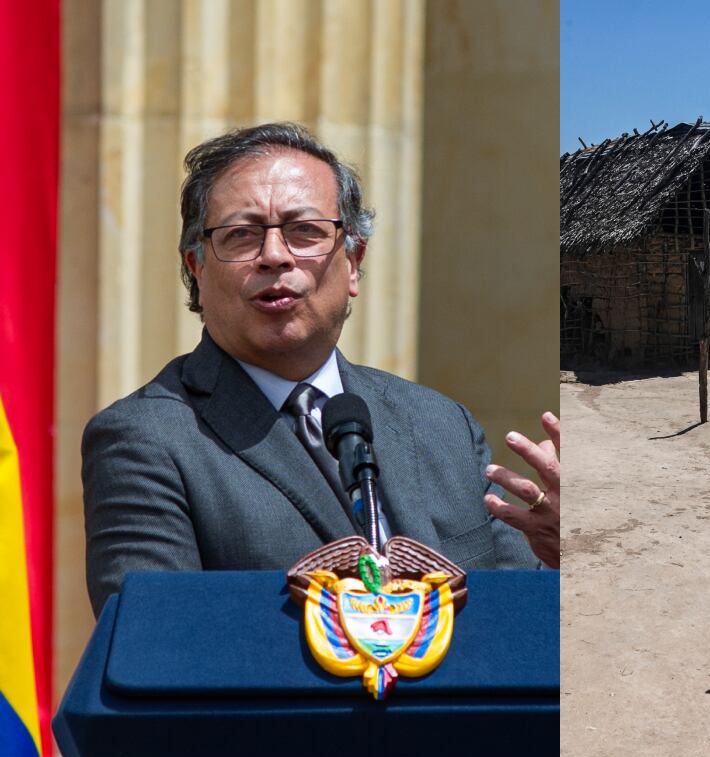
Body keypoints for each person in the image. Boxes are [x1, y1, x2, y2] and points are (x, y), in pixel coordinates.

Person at [82, 123, 558, 617]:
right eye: (241, 235)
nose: (274, 256)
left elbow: (514, 617)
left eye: (304, 231)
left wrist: (560, 554)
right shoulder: (145, 439)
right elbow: (157, 644)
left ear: (353, 262)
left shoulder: (441, 425)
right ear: (197, 269)